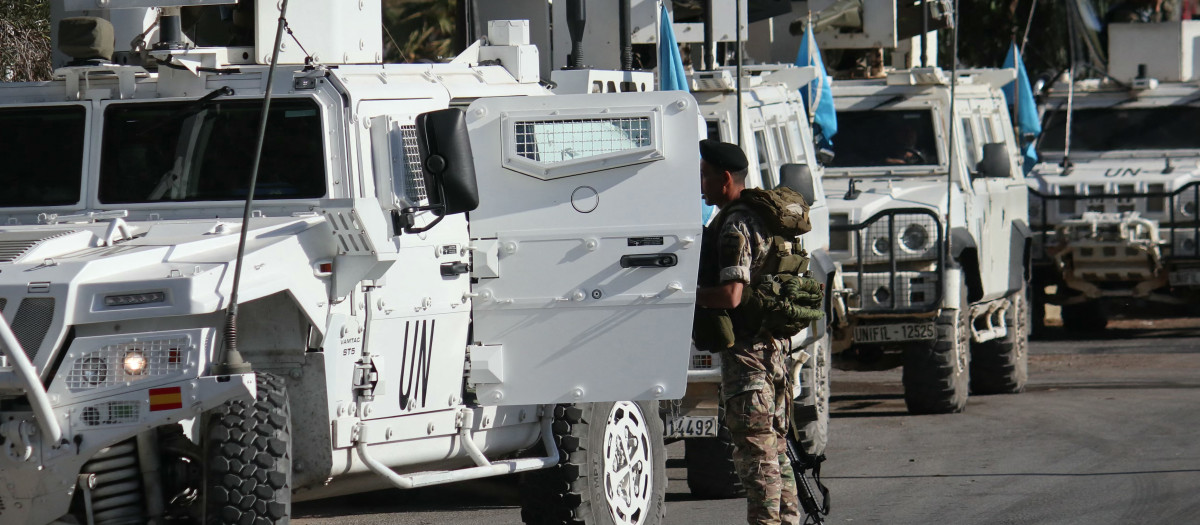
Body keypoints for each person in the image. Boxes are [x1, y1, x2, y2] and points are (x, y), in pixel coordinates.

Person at [696, 139, 801, 525]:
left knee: (755, 457)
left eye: (705, 176)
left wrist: (685, 297)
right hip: (773, 350)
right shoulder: (761, 217)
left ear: (725, 178)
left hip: (748, 356)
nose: (701, 185)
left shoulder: (735, 226)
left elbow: (732, 294)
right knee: (775, 450)